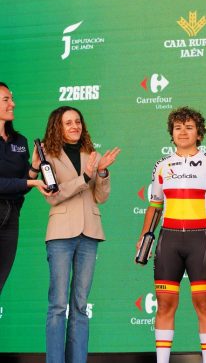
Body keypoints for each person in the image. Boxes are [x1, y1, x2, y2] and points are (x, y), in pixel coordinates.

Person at [137, 107, 206, 363]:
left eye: (189, 127)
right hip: (168, 240)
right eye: (178, 127)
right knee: (164, 305)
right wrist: (145, 235)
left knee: (204, 305)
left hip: (200, 240)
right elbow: (155, 206)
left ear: (199, 133)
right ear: (171, 133)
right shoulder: (162, 165)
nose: (183, 132)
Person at [42, 106, 120, 363]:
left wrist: (102, 172)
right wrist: (85, 175)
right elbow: (54, 195)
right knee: (57, 306)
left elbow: (100, 196)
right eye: (68, 122)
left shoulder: (92, 154)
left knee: (80, 306)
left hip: (89, 233)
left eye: (78, 121)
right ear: (58, 127)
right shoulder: (45, 154)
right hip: (60, 235)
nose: (75, 126)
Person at [0, 82, 50, 295]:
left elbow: (22, 185)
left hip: (11, 217)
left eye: (11, 98)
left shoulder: (20, 141)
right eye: (6, 100)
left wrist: (34, 168)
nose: (13, 103)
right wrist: (31, 181)